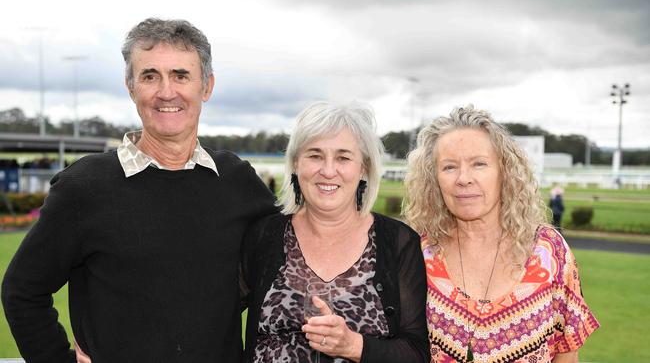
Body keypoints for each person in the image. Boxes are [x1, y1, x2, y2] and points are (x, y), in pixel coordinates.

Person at [1, 18, 277, 363]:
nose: (166, 92)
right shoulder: (83, 187)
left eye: (180, 75)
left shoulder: (237, 181)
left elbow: (294, 253)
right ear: (131, 86)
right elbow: (22, 291)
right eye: (150, 76)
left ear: (206, 86)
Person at [403, 105, 599, 363]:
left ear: (504, 171)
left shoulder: (549, 251)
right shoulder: (416, 253)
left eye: (479, 164)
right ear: (434, 178)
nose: (464, 178)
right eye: (449, 167)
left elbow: (567, 352)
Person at [241, 102, 430, 362]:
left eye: (343, 157)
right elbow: (215, 316)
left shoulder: (398, 242)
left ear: (363, 168)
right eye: (315, 155)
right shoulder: (264, 236)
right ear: (296, 163)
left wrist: (353, 346)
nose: (328, 171)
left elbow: (417, 353)